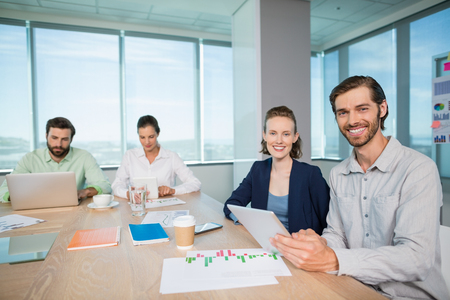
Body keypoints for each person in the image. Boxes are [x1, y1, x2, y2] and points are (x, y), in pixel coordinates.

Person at [270, 76, 449, 299]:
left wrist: (334, 259)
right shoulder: (338, 174)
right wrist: (321, 243)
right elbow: (337, 234)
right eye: (342, 112)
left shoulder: (418, 169)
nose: (352, 120)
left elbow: (416, 259)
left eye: (362, 109)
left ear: (382, 108)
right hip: (352, 287)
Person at [223, 106, 330, 234]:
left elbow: (330, 222)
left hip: (297, 249)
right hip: (263, 246)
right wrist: (245, 221)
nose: (279, 140)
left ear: (295, 137)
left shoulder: (310, 175)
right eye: (273, 133)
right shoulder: (258, 170)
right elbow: (231, 205)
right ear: (265, 136)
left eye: (286, 134)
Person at [0, 117, 112, 202]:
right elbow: (3, 191)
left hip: (74, 211)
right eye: (54, 138)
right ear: (46, 136)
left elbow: (105, 186)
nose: (58, 144)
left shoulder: (84, 156)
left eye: (64, 139)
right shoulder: (30, 159)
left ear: (71, 139)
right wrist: (24, 197)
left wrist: (85, 191)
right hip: (37, 211)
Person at [112, 115, 201, 199]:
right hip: (139, 208)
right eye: (142, 137)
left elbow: (195, 183)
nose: (147, 142)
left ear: (158, 133)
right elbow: (116, 185)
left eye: (151, 137)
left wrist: (172, 190)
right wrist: (128, 193)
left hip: (165, 208)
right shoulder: (130, 156)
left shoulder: (171, 157)